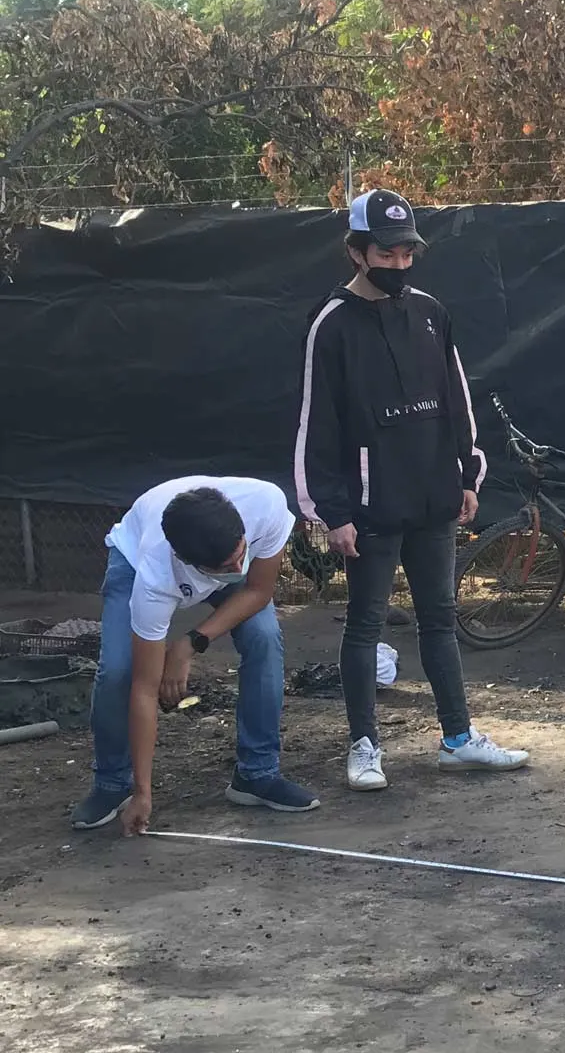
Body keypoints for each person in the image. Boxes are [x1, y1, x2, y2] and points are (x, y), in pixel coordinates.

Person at [295, 189, 530, 792]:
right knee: (365, 623)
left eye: (407, 253)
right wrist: (332, 512)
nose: (399, 265)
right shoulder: (332, 326)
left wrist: (466, 474)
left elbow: (457, 401)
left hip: (434, 496)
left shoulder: (430, 311)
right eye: (387, 253)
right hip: (370, 506)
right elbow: (315, 426)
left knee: (440, 618)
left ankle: (457, 738)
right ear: (355, 251)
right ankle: (364, 746)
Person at [69, 478, 318, 835]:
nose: (238, 568)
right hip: (133, 561)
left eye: (241, 554)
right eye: (226, 567)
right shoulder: (156, 576)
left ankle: (257, 774)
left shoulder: (267, 507)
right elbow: (144, 688)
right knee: (118, 671)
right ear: (187, 563)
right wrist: (145, 792)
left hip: (214, 550)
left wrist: (189, 644)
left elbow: (259, 590)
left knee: (263, 636)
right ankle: (114, 783)